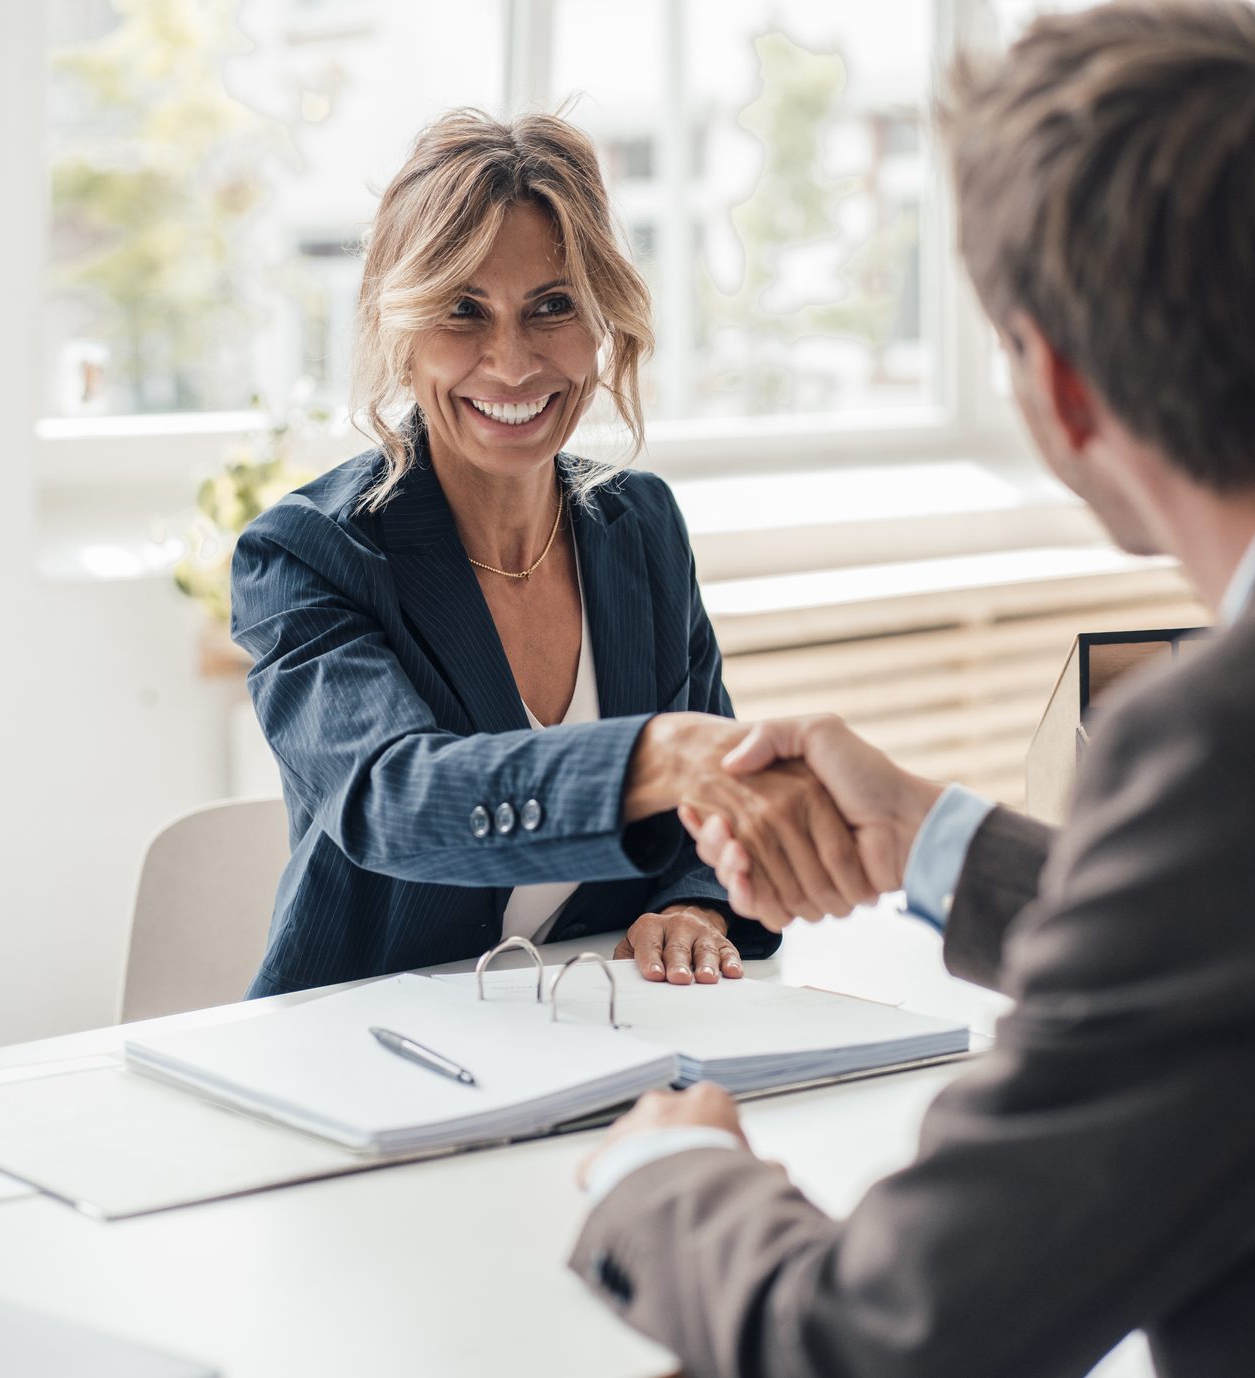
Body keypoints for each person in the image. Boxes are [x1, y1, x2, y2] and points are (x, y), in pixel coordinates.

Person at [567, 3, 1255, 1375]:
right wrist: (934, 840)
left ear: (1052, 381)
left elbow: (883, 1337)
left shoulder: (1238, 747)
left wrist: (663, 1185)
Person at [230, 110, 877, 998]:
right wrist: (661, 755)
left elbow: (701, 825)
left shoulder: (640, 527)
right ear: (401, 326)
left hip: (599, 1025)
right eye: (463, 310)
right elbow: (394, 802)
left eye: (551, 307)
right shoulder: (306, 553)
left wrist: (695, 908)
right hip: (369, 1042)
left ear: (601, 317)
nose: (512, 361)